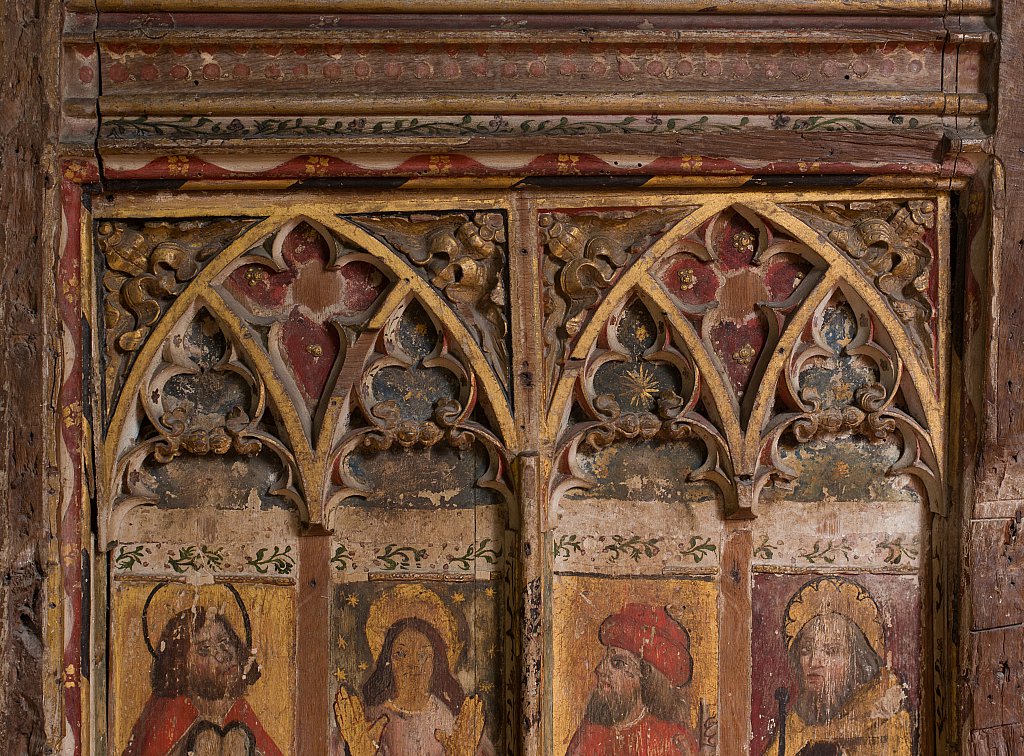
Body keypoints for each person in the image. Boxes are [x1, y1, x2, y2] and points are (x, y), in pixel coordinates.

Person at [334, 585, 494, 756]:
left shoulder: (454, 722)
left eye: (423, 654)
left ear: (435, 661)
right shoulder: (368, 720)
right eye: (401, 654)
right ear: (388, 662)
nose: (412, 664)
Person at [764, 577, 912, 756]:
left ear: (856, 661)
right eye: (806, 650)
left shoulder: (884, 716)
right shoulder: (796, 723)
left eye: (831, 651)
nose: (814, 662)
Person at [124, 603, 281, 756]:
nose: (222, 655)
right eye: (204, 650)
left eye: (225, 642)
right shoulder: (169, 712)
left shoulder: (238, 709)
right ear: (181, 664)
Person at [566, 604, 715, 756]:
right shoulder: (588, 734)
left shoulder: (675, 739)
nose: (599, 669)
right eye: (604, 659)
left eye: (617, 663)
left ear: (646, 678)